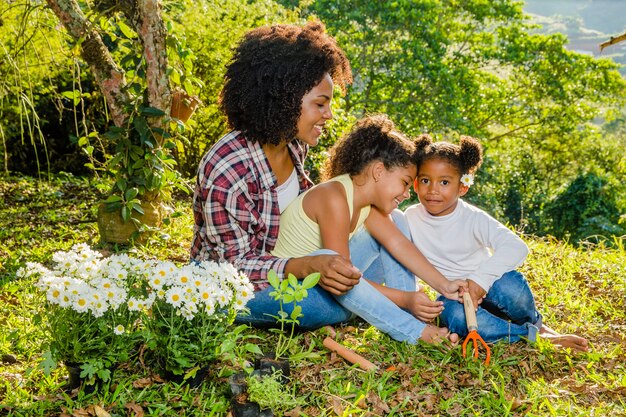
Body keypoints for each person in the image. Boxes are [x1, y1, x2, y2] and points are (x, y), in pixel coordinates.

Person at [190, 20, 361, 330]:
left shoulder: (293, 143)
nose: (329, 115)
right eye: (320, 104)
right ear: (282, 99)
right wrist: (307, 266)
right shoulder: (228, 169)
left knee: (376, 239)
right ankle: (362, 304)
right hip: (230, 283)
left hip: (286, 260)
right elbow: (234, 266)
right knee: (305, 305)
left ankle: (364, 300)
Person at [272, 114, 466, 343]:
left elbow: (398, 244)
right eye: (405, 182)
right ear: (378, 171)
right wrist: (403, 298)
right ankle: (413, 330)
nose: (407, 194)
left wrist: (446, 284)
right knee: (334, 266)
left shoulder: (366, 204)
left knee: (397, 219)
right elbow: (340, 279)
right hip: (298, 294)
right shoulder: (334, 197)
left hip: (334, 292)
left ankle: (408, 314)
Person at [404, 134, 589, 351]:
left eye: (444, 182)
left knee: (510, 283)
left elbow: (517, 247)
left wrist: (480, 282)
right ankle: (531, 337)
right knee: (453, 314)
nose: (433, 189)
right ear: (416, 184)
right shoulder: (410, 217)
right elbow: (406, 260)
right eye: (426, 180)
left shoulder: (473, 217)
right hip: (454, 297)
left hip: (491, 287)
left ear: (462, 187)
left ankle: (536, 324)